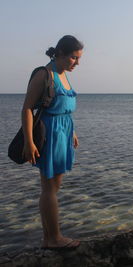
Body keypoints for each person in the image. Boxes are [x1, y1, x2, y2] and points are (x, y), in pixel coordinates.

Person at [21, 35, 83, 250]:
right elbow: (27, 108)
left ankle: (49, 239)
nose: (77, 63)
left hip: (64, 133)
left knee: (52, 189)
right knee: (49, 188)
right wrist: (29, 142)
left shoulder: (63, 74)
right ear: (60, 54)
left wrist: (72, 132)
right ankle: (54, 238)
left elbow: (63, 107)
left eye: (79, 59)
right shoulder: (44, 74)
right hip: (50, 135)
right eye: (74, 58)